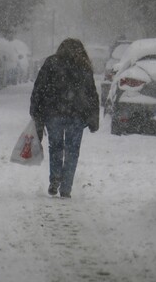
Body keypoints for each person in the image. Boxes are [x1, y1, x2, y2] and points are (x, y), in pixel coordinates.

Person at [30, 38, 99, 198]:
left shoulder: (52, 63)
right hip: (77, 115)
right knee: (72, 150)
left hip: (54, 113)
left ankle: (55, 179)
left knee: (55, 147)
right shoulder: (84, 66)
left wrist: (36, 110)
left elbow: (39, 87)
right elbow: (91, 92)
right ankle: (66, 187)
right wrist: (93, 116)